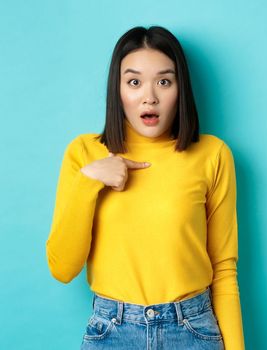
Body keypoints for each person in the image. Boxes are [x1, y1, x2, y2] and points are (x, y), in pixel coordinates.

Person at [45, 26, 245, 349]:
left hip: (192, 330)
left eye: (164, 81)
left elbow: (223, 270)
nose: (149, 96)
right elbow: (62, 268)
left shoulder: (213, 155)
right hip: (112, 331)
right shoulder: (84, 154)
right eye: (134, 82)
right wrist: (90, 182)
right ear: (118, 88)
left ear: (180, 88)